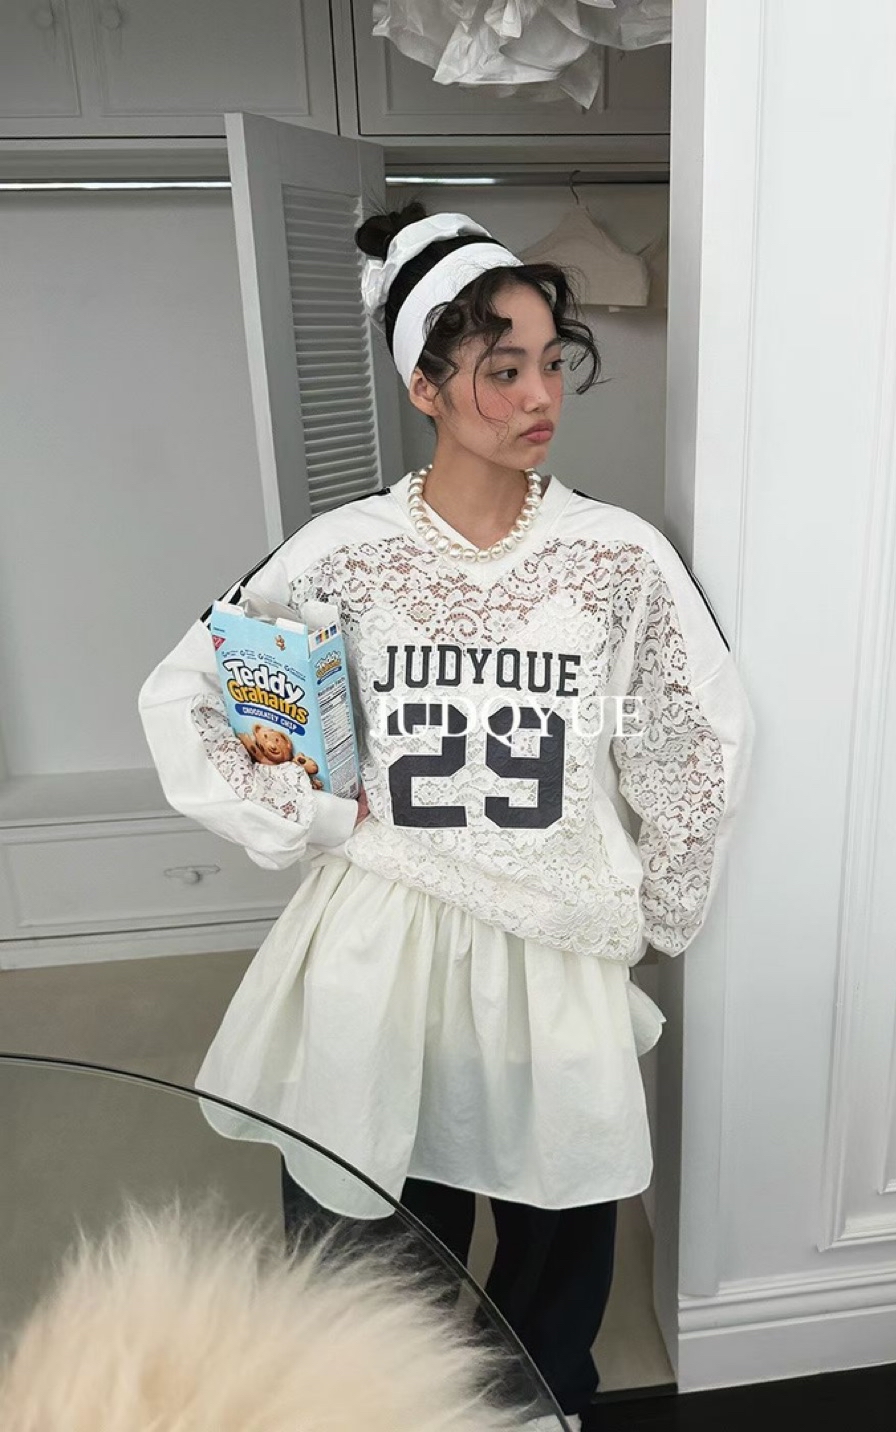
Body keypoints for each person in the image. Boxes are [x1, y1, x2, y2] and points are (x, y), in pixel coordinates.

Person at [137, 201, 755, 1428]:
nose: (540, 396)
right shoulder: (341, 551)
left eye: (550, 364)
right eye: (501, 369)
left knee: (555, 1257)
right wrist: (310, 814)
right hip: (380, 935)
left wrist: (660, 904)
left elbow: (696, 731)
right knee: (369, 1248)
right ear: (425, 385)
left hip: (552, 948)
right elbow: (192, 692)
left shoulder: (617, 555)